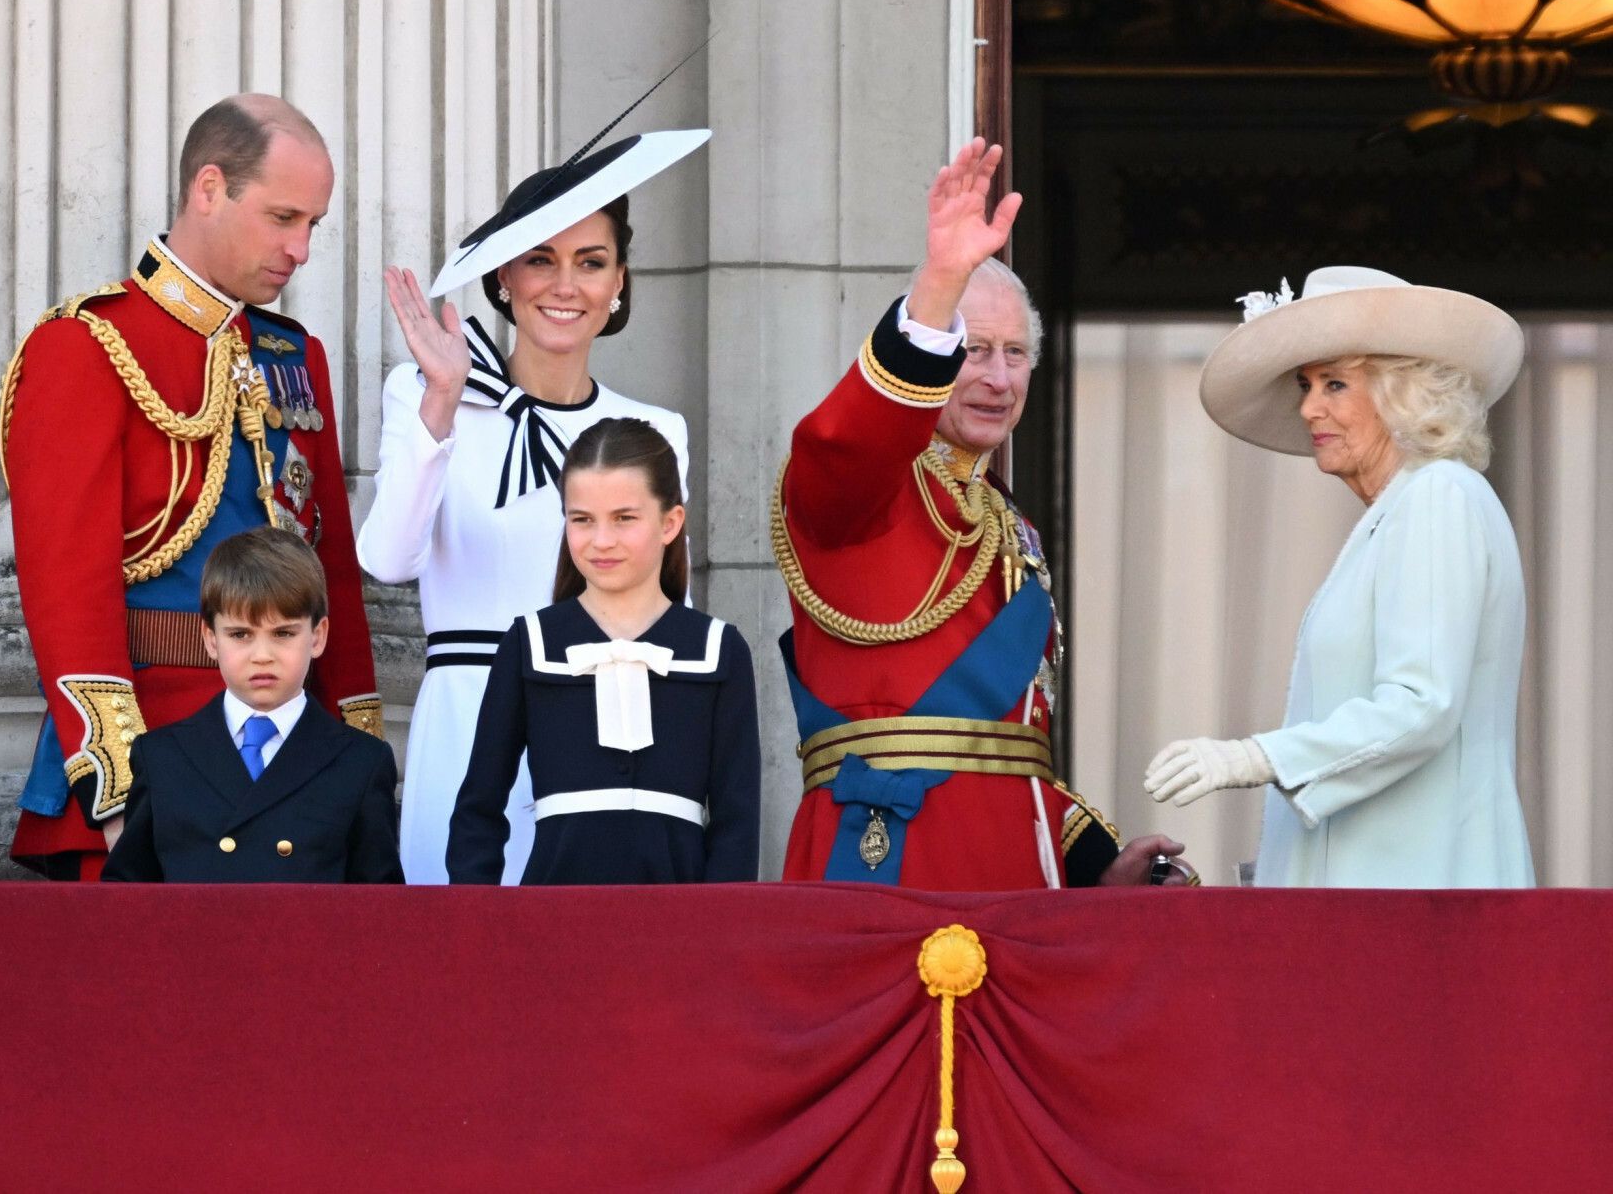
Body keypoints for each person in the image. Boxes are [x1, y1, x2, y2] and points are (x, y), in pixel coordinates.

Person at [777, 139, 1186, 889]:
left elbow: (1011, 754)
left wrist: (1097, 866)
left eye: (1016, 353)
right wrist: (939, 284)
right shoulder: (863, 493)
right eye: (973, 352)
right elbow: (847, 441)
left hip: (1017, 883)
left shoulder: (1009, 530)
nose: (999, 378)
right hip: (887, 868)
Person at [0, 94, 381, 880]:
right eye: (284, 218)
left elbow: (331, 570)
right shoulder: (86, 344)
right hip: (154, 761)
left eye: (313, 224)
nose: (302, 248)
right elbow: (65, 587)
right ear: (209, 188)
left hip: (301, 771)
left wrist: (356, 756)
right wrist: (114, 786)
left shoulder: (292, 355)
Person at [359, 128, 708, 884]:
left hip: (602, 725)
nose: (564, 285)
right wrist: (443, 405)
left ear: (619, 283)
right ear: (503, 278)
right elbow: (386, 560)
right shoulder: (425, 395)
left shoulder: (656, 434)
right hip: (467, 715)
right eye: (540, 260)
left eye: (591, 263)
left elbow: (667, 616)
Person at [1144, 267, 1534, 887]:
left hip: (1424, 894)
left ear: (1401, 394)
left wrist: (1257, 756)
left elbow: (1420, 704)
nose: (1308, 407)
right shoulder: (1399, 511)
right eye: (1306, 384)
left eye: (1335, 384)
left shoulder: (1438, 497)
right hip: (1386, 893)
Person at [446, 418, 759, 885]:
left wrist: (714, 941)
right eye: (582, 520)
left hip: (680, 932)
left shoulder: (719, 650)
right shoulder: (529, 644)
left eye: (624, 518)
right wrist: (482, 928)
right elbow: (478, 810)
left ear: (670, 523)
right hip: (551, 927)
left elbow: (737, 825)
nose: (602, 541)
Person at [104, 528, 401, 883]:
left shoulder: (361, 762)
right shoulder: (161, 757)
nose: (262, 656)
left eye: (283, 634)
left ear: (318, 637)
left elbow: (379, 913)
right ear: (210, 639)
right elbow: (126, 902)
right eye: (240, 634)